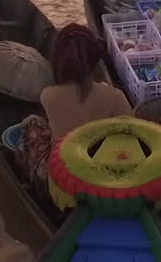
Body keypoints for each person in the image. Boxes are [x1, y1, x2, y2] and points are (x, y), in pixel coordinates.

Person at [17, 25, 132, 190]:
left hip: (64, 181)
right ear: (93, 62)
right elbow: (132, 134)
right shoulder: (115, 96)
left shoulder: (48, 95)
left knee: (32, 121)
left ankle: (30, 184)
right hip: (106, 177)